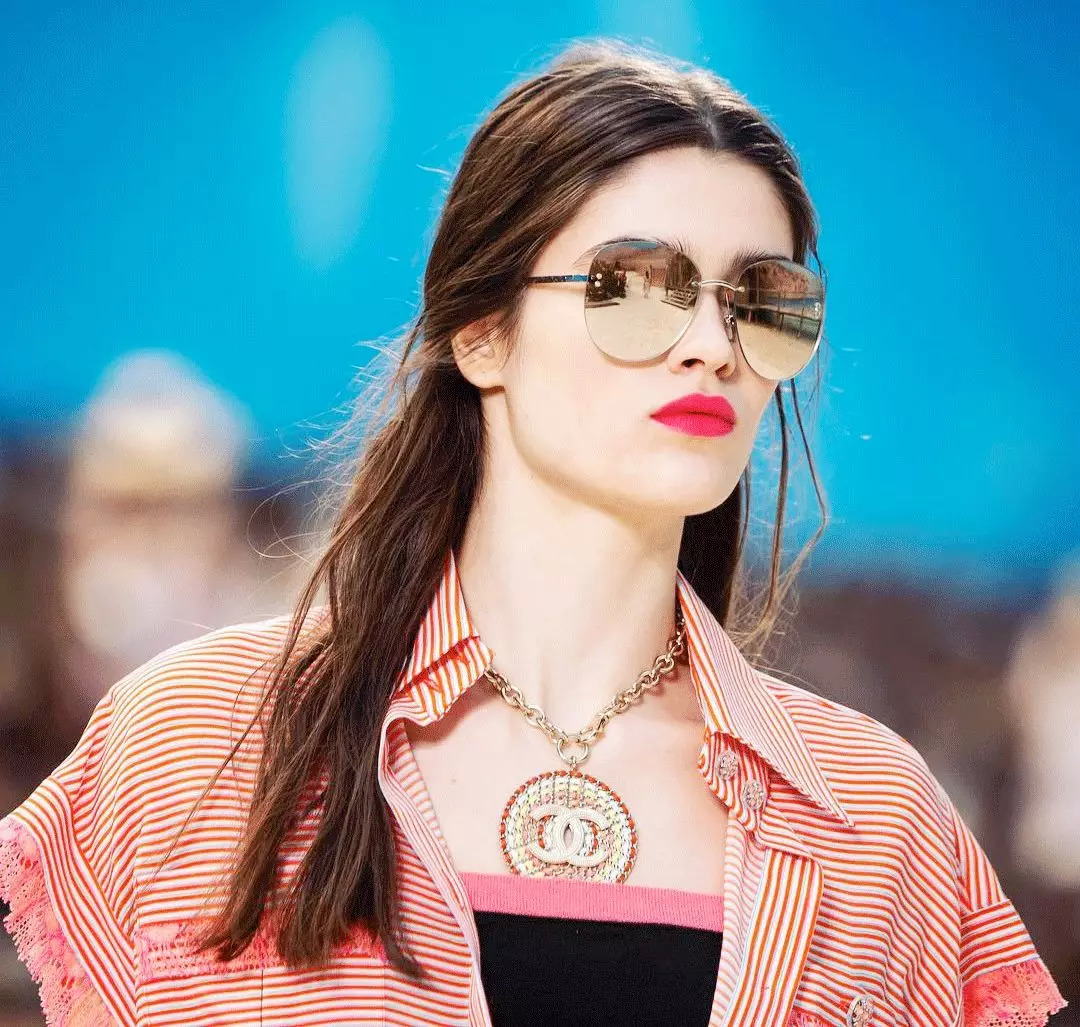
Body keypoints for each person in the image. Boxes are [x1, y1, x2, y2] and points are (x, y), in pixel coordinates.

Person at [0, 39, 1067, 1027]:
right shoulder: (200, 741)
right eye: (634, 286)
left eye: (763, 299)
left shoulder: (873, 819)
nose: (712, 343)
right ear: (481, 331)